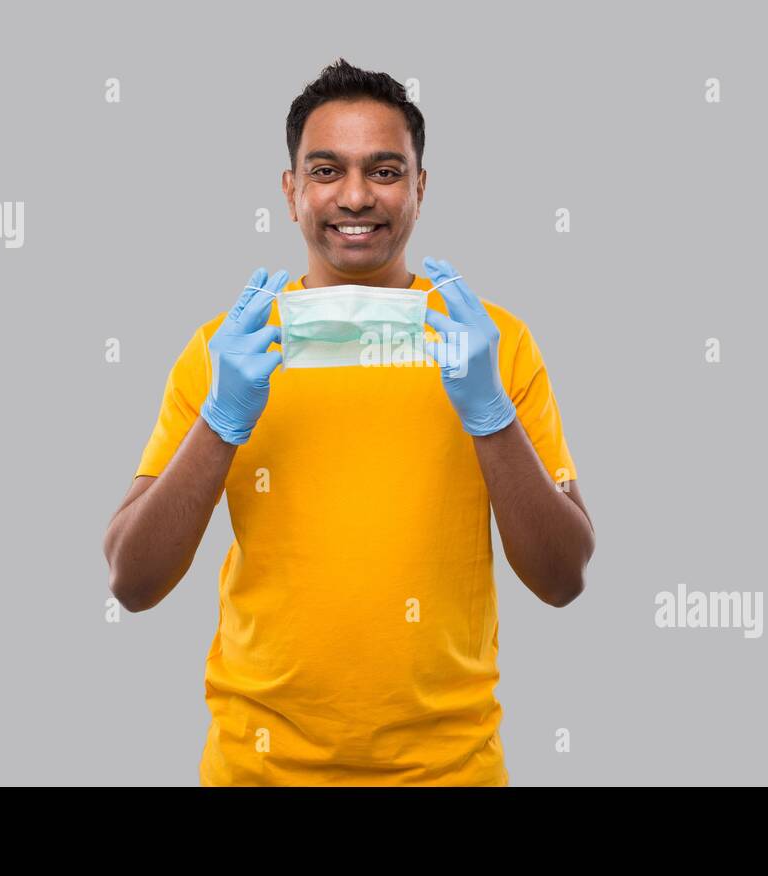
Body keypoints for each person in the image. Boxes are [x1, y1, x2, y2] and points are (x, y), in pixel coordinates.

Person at [102, 58, 595, 786]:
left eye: (386, 170)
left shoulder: (496, 345)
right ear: (290, 189)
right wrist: (222, 418)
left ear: (421, 188)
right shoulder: (227, 349)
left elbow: (563, 578)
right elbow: (131, 582)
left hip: (450, 772)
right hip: (257, 770)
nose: (356, 196)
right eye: (326, 169)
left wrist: (489, 415)